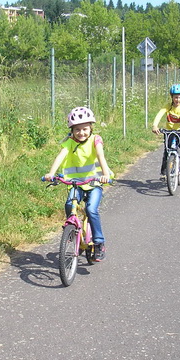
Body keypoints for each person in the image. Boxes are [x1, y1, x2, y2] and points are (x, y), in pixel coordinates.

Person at [44, 106, 113, 261]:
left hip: (94, 183)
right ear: (72, 130)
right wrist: (51, 173)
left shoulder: (95, 140)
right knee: (70, 204)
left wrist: (105, 175)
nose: (81, 133)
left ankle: (99, 242)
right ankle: (73, 231)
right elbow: (60, 156)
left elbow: (100, 156)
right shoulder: (70, 142)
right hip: (76, 183)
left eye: (85, 129)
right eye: (77, 130)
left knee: (91, 209)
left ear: (91, 128)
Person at [152, 83, 180, 177]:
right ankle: (164, 173)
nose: (177, 100)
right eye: (175, 97)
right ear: (172, 97)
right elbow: (159, 114)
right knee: (167, 152)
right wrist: (155, 125)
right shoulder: (168, 106)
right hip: (169, 131)